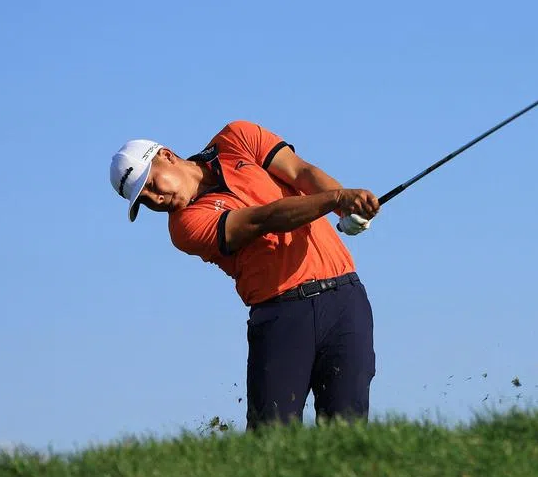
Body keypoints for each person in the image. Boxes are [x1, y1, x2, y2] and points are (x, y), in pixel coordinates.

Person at [108, 119, 381, 430]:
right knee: (272, 439)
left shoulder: (237, 137)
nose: (155, 199)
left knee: (348, 431)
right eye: (144, 200)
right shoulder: (185, 227)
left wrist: (348, 207)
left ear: (166, 156)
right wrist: (336, 200)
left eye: (152, 184)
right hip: (282, 315)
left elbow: (300, 173)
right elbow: (263, 220)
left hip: (344, 298)